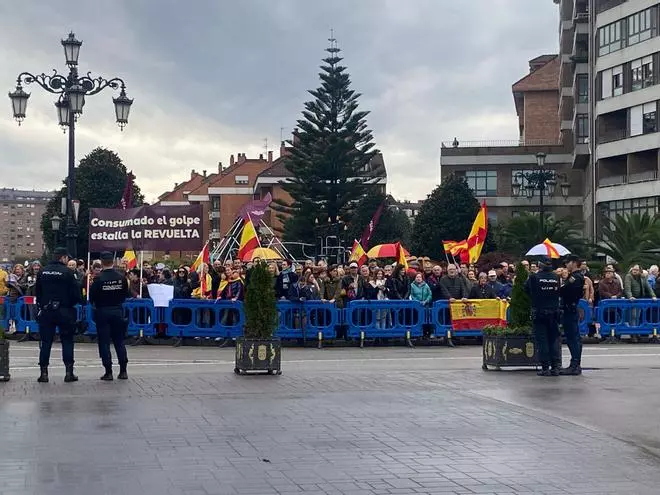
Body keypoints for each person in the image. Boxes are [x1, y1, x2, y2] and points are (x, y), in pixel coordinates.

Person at [34, 247, 82, 383]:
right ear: (63, 258)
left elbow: (38, 292)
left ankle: (43, 373)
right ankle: (69, 372)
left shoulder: (43, 271)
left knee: (46, 342)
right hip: (65, 311)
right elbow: (75, 294)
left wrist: (42, 305)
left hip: (46, 310)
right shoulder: (68, 272)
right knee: (67, 341)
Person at [90, 252, 130, 381]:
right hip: (117, 310)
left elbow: (92, 297)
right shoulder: (121, 277)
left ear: (101, 262)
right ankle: (123, 370)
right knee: (119, 341)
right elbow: (125, 293)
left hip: (102, 311)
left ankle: (108, 371)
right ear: (112, 261)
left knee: (104, 342)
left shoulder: (98, 278)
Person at [524, 257, 561, 376]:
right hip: (554, 312)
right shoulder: (556, 277)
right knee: (553, 340)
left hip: (539, 312)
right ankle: (555, 367)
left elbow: (526, 289)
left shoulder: (534, 277)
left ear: (539, 265)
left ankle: (545, 367)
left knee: (542, 340)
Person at [560, 254, 585, 376]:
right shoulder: (573, 276)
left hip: (570, 309)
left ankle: (575, 365)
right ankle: (574, 364)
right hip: (570, 308)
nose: (566, 265)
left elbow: (564, 290)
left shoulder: (576, 277)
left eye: (568, 262)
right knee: (572, 338)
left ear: (574, 263)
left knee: (573, 338)